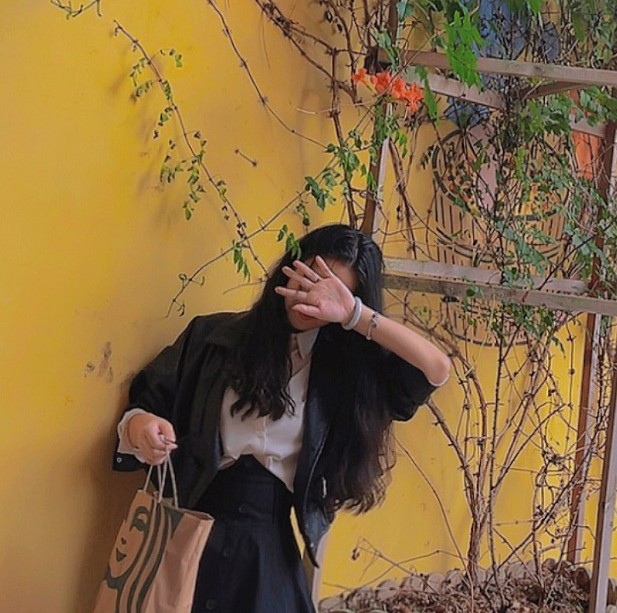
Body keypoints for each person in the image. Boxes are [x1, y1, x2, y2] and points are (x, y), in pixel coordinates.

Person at [112, 225, 451, 613]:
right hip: (189, 528)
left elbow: (435, 368)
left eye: (332, 291)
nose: (313, 298)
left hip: (267, 548)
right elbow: (145, 405)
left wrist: (354, 316)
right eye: (309, 278)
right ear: (290, 267)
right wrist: (141, 428)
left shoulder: (347, 376)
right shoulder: (214, 337)